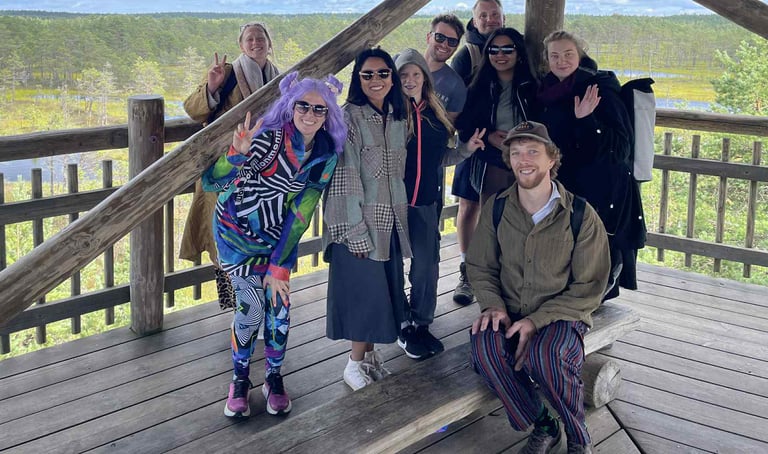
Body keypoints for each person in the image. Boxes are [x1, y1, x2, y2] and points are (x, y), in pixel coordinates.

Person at [202, 71, 346, 418]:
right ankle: (239, 379)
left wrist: (280, 265)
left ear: (329, 115)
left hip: (274, 238)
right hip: (234, 235)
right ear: (290, 106)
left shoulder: (324, 155)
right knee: (251, 310)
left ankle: (273, 377)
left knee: (279, 309)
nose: (310, 114)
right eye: (303, 106)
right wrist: (236, 153)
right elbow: (212, 182)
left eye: (320, 109)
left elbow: (302, 211)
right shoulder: (267, 138)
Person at [467, 121, 610, 454]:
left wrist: (536, 321)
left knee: (546, 356)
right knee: (484, 348)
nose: (524, 160)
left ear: (551, 159)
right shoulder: (497, 208)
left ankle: (578, 437)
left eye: (533, 151)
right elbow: (480, 266)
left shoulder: (579, 214)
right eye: (516, 152)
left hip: (562, 315)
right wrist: (493, 305)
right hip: (508, 310)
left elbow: (589, 286)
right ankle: (545, 424)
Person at [323, 47, 411, 391]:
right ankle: (353, 363)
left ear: (392, 77)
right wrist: (354, 231)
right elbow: (344, 177)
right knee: (363, 297)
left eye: (383, 73)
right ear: (357, 79)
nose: (376, 80)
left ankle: (370, 358)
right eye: (368, 74)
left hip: (389, 223)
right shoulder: (349, 118)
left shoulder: (397, 116)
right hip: (358, 226)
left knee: (380, 295)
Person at [536, 30, 646, 299]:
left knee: (598, 250)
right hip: (569, 181)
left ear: (580, 55)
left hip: (603, 186)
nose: (561, 61)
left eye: (568, 54)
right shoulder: (546, 91)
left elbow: (621, 147)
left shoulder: (599, 88)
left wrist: (586, 119)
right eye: (554, 56)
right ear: (547, 59)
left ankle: (589, 305)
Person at [180, 21, 280, 311]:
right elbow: (192, 109)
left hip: (260, 171)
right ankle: (239, 308)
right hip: (227, 168)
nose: (255, 43)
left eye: (260, 38)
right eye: (249, 39)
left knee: (256, 235)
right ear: (241, 45)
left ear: (269, 43)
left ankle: (257, 305)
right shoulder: (227, 73)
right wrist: (212, 85)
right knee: (225, 234)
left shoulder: (276, 76)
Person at [394, 49, 486, 360]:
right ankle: (402, 325)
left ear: (425, 78)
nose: (410, 80)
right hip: (394, 204)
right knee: (393, 267)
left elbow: (440, 158)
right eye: (403, 75)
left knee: (427, 266)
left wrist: (466, 149)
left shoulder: (435, 113)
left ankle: (421, 323)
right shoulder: (389, 113)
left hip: (426, 203)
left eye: (415, 74)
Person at [449, 0, 505, 307]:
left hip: (504, 149)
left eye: (494, 14)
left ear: (503, 17)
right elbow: (454, 106)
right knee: (469, 207)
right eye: (483, 15)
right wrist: (479, 134)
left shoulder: (512, 47)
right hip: (473, 143)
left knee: (498, 211)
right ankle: (467, 271)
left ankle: (494, 273)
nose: (490, 19)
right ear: (474, 20)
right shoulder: (466, 55)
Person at [455, 27, 536, 204]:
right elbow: (463, 125)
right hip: (492, 162)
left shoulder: (532, 86)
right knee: (492, 216)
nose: (500, 55)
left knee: (528, 215)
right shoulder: (476, 86)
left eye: (507, 49)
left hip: (527, 161)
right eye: (493, 50)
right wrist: (488, 136)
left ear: (519, 53)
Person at [424, 13, 467, 121]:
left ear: (456, 47)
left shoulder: (457, 86)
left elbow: (448, 126)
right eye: (440, 37)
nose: (444, 44)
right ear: (429, 37)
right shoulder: (402, 63)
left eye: (452, 41)